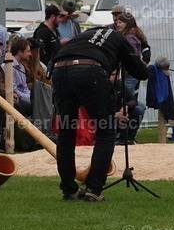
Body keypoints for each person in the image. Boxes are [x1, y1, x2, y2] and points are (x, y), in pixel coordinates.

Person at [50, 27, 149, 202]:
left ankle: (69, 189)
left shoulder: (84, 35)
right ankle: (93, 189)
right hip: (90, 71)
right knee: (106, 131)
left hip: (59, 70)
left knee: (66, 132)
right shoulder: (118, 38)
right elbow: (141, 73)